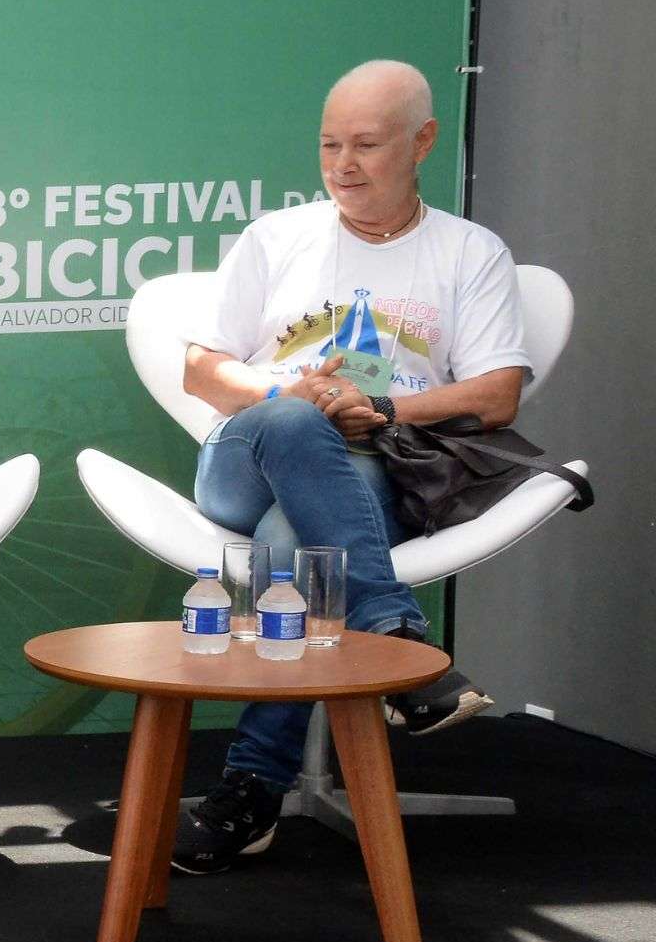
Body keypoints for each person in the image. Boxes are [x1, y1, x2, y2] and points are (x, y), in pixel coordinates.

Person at [172, 59, 528, 875]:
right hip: (248, 454)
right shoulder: (276, 238)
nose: (344, 164)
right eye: (330, 144)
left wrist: (386, 409)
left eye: (366, 144)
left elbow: (499, 393)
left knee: (293, 537)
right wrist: (287, 391)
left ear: (424, 141)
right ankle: (397, 634)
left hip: (375, 466)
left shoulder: (469, 253)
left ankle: (251, 788)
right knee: (294, 425)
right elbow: (201, 371)